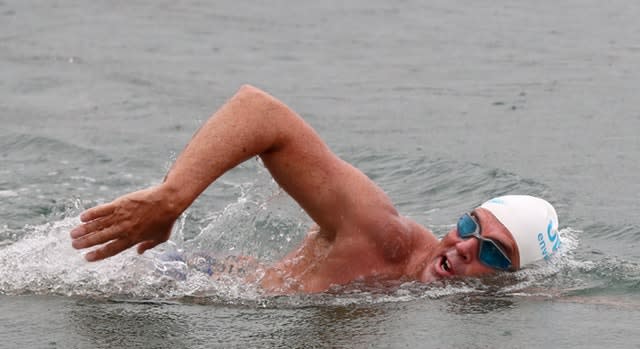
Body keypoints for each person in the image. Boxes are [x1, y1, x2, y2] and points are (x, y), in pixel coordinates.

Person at [70, 85, 561, 294]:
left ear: (511, 280)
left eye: (494, 253)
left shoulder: (435, 295)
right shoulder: (381, 234)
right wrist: (170, 198)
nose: (465, 246)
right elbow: (258, 111)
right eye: (469, 226)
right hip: (162, 273)